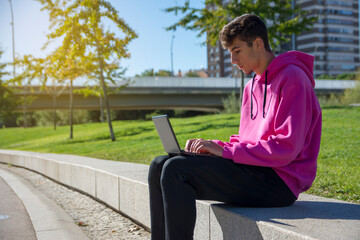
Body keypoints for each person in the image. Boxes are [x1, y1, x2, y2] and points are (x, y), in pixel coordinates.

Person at [148, 14, 322, 240]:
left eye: (236, 50)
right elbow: (247, 141)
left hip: (280, 181)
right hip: (256, 169)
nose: (232, 59)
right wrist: (213, 146)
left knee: (176, 170)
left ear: (258, 44)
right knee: (159, 164)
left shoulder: (293, 78)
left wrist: (226, 152)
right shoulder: (251, 88)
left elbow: (286, 147)